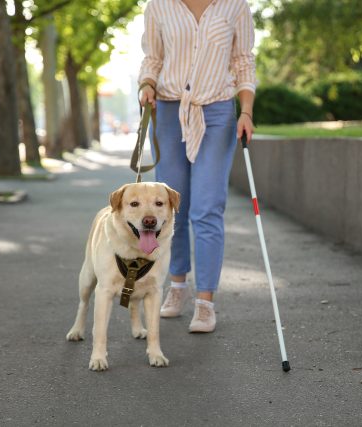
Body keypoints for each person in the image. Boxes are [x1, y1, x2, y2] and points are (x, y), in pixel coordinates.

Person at [138, 0, 256, 332]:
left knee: (207, 206)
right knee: (169, 208)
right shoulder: (159, 6)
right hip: (168, 112)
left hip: (217, 112)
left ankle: (205, 303)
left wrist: (245, 111)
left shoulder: (234, 6)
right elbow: (153, 58)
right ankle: (177, 286)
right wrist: (147, 84)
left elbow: (243, 61)